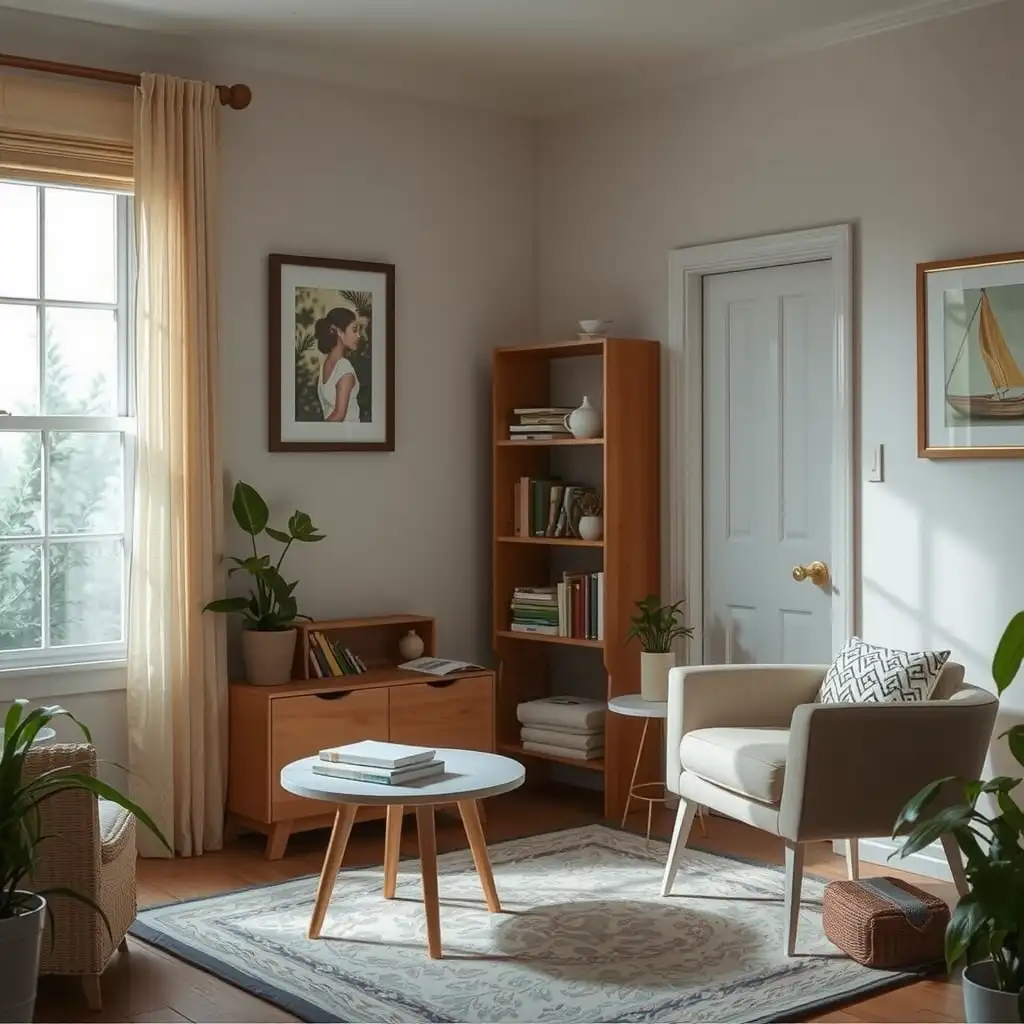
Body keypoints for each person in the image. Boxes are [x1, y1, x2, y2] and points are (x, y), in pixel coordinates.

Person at [314, 307, 362, 422]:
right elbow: (339, 415)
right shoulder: (344, 367)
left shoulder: (325, 365)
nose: (359, 335)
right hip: (350, 436)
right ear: (340, 332)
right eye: (354, 330)